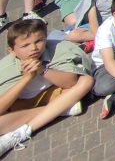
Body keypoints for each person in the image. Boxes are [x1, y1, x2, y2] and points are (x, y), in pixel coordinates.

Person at [0, 19, 93, 154]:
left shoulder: (60, 47)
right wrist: (27, 77)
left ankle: (21, 133)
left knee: (86, 81)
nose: (33, 48)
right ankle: (61, 109)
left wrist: (43, 70)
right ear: (12, 51)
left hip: (57, 93)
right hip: (21, 105)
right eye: (25, 45)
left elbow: (71, 82)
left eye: (39, 41)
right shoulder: (4, 69)